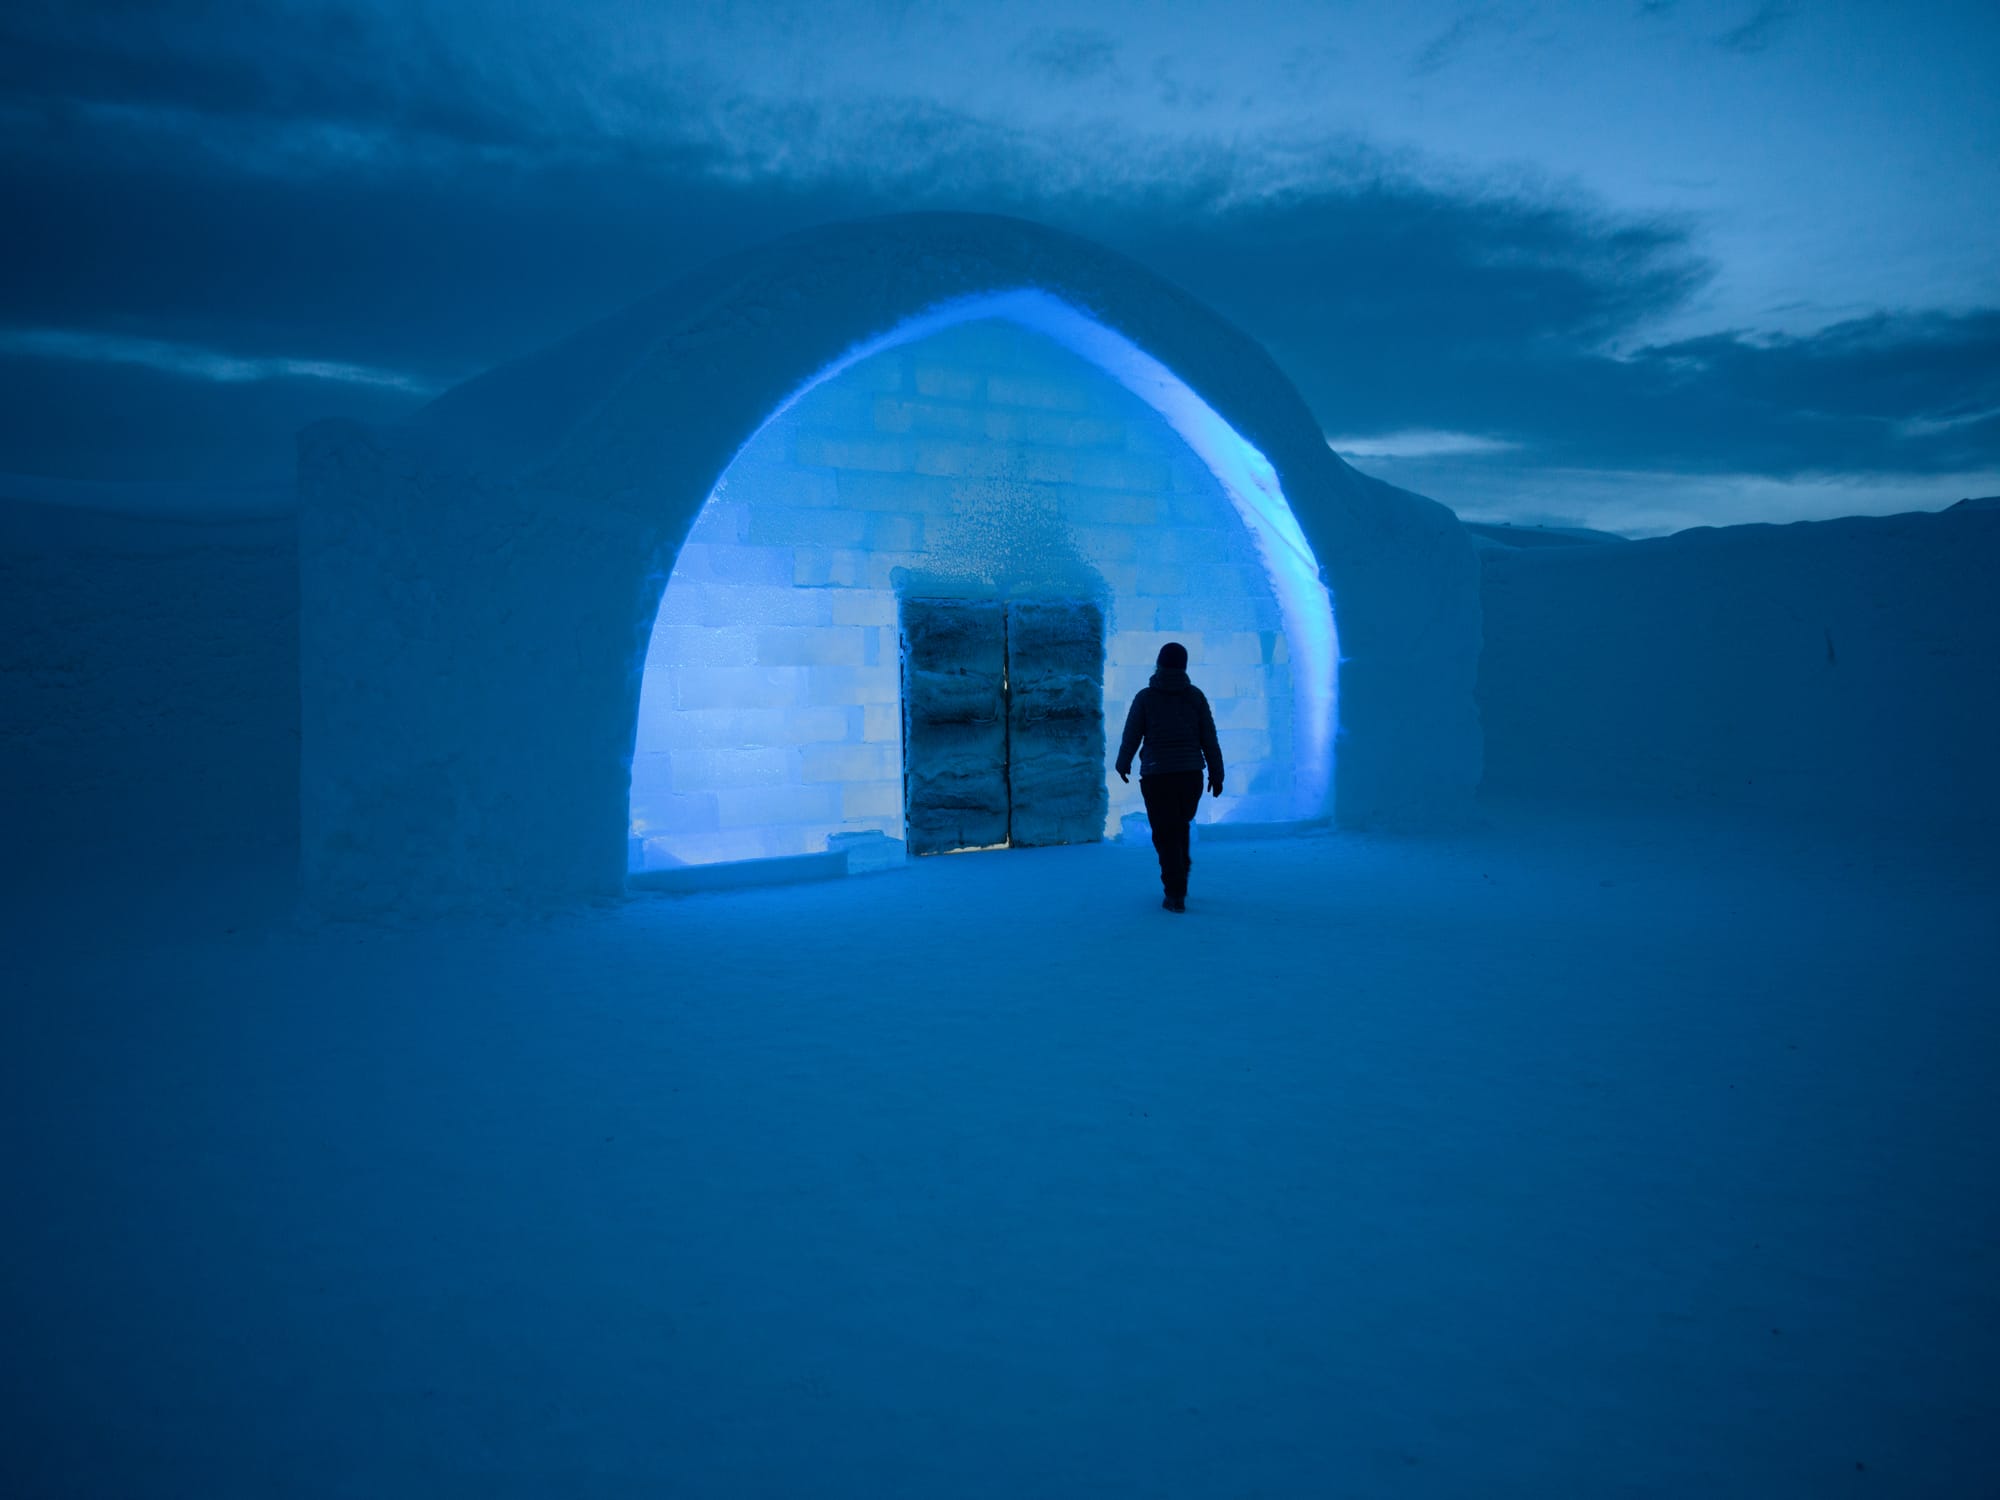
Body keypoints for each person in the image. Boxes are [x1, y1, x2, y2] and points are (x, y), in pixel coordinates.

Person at [1114, 641, 1223, 913]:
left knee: (1165, 833)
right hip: (1190, 776)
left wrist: (1123, 763)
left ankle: (1174, 892)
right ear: (1184, 666)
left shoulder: (1145, 698)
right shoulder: (1195, 696)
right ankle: (1180, 874)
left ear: (1159, 664)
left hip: (1157, 775)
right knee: (1179, 826)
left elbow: (1132, 735)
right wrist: (1216, 774)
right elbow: (1209, 738)